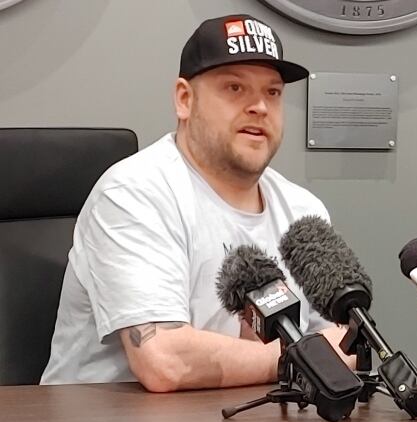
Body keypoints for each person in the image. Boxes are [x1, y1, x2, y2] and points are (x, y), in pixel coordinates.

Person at [41, 14, 352, 391]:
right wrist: (306, 359)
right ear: (185, 100)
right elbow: (165, 362)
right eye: (235, 88)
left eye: (272, 92)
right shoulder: (133, 193)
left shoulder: (303, 211)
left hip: (245, 421)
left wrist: (311, 355)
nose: (259, 106)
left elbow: (347, 346)